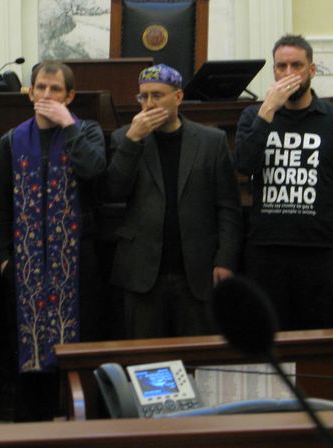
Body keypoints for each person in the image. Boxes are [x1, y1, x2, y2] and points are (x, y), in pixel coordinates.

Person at [0, 60, 105, 421]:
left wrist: (68, 125)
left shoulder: (86, 132)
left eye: (56, 89)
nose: (46, 95)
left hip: (74, 263)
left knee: (77, 352)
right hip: (25, 266)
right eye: (40, 87)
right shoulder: (10, 141)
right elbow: (0, 206)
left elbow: (93, 169)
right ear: (29, 92)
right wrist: (4, 257)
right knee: (26, 354)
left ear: (70, 96)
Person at [236, 34, 333, 330]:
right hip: (267, 251)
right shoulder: (253, 117)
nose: (288, 73)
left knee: (320, 342)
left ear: (311, 70)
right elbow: (244, 165)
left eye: (296, 65)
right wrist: (267, 110)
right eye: (281, 66)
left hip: (321, 253)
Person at [102, 64, 241, 338]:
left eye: (157, 95)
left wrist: (225, 259)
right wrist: (132, 140)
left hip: (196, 272)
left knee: (196, 361)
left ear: (178, 98)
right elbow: (113, 192)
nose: (149, 104)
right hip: (142, 272)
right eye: (143, 97)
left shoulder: (211, 142)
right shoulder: (124, 138)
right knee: (145, 364)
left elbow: (228, 207)